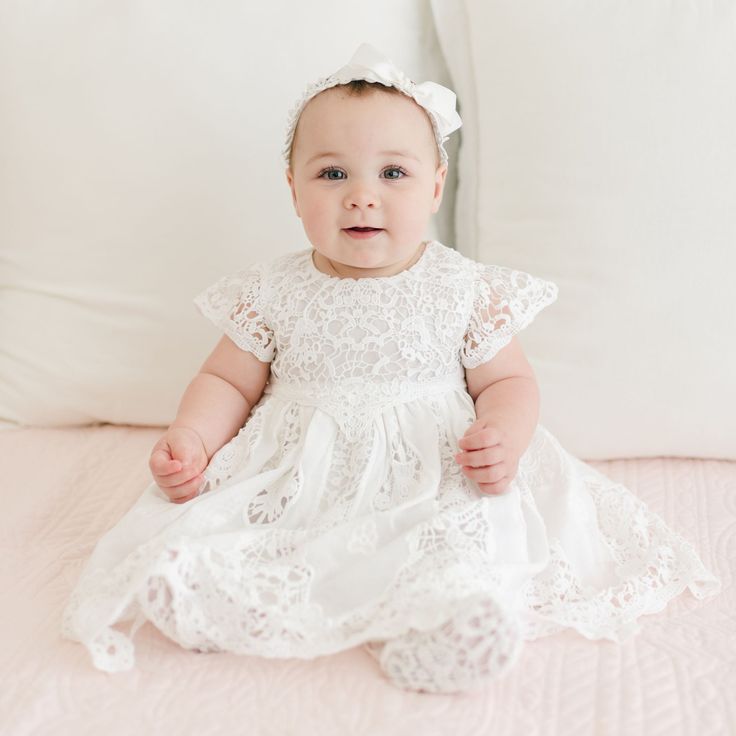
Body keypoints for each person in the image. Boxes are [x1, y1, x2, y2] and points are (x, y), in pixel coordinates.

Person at [61, 43, 720, 694]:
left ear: (435, 186)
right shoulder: (272, 290)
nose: (362, 198)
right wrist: (194, 438)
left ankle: (444, 625)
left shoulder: (460, 287)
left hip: (428, 470)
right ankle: (214, 596)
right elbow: (229, 380)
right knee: (241, 538)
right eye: (333, 174)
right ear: (293, 190)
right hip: (300, 477)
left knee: (453, 541)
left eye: (393, 174)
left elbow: (509, 382)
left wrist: (505, 435)